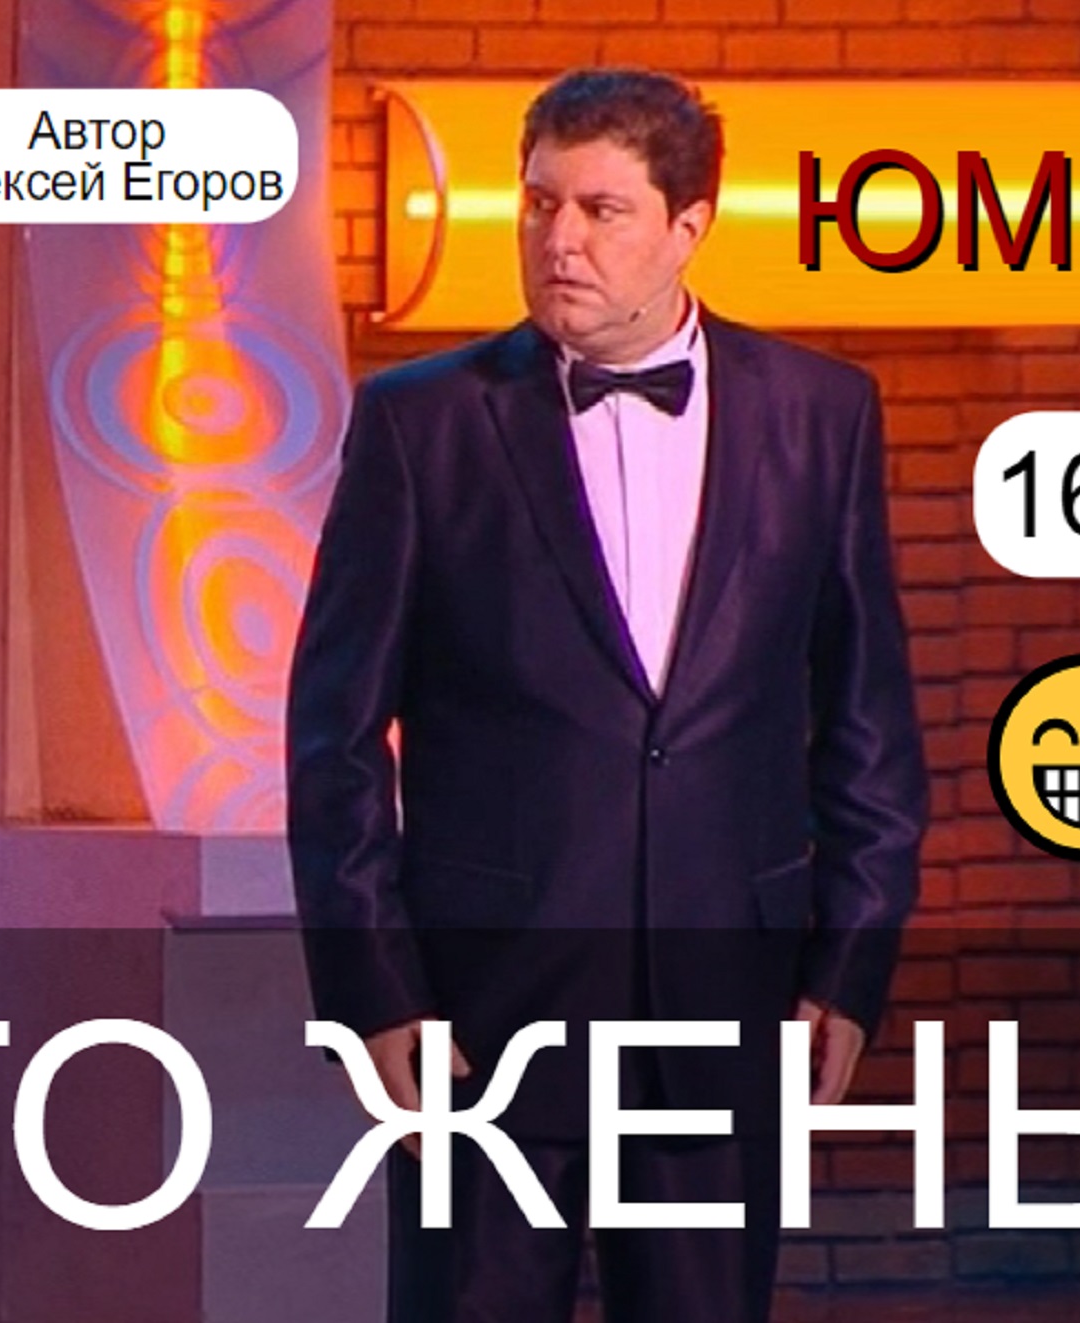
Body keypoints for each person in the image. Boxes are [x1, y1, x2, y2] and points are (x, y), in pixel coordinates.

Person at [287, 69, 926, 1323]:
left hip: (725, 1002)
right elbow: (335, 739)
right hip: (481, 1015)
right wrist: (377, 991)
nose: (558, 240)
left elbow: (866, 725)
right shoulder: (421, 424)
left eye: (599, 209)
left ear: (688, 226)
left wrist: (848, 966)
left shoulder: (821, 414)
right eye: (537, 204)